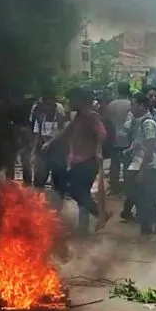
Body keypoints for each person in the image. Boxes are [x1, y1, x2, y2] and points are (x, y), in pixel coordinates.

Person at [45, 88, 109, 233]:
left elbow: (102, 133)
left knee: (75, 189)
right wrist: (50, 142)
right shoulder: (79, 117)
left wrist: (98, 150)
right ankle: (83, 227)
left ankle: (100, 214)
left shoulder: (91, 115)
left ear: (80, 100)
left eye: (72, 99)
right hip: (78, 161)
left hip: (88, 161)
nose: (69, 102)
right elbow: (66, 131)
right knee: (81, 192)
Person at [125, 93, 156, 236]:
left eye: (133, 104)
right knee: (140, 198)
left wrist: (143, 170)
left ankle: (150, 228)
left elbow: (149, 146)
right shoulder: (139, 121)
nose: (131, 108)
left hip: (148, 166)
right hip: (138, 164)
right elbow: (139, 143)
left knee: (143, 201)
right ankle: (155, 218)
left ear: (142, 106)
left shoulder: (148, 123)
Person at [31, 91, 68, 190]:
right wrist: (33, 153)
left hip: (57, 150)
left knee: (59, 178)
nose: (48, 107)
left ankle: (58, 198)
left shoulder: (61, 116)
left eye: (50, 105)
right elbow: (37, 135)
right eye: (46, 105)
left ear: (55, 104)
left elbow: (63, 132)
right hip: (43, 149)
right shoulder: (40, 117)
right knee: (39, 178)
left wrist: (50, 143)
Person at [104, 82, 133, 194]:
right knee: (127, 164)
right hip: (127, 139)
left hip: (113, 138)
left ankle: (115, 187)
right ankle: (127, 187)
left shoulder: (111, 105)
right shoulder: (131, 104)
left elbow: (106, 122)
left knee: (114, 164)